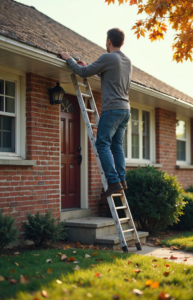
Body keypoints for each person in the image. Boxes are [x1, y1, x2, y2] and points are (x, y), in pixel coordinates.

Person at [59, 28, 132, 199]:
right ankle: (122, 180)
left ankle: (113, 182)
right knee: (117, 146)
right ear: (122, 42)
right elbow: (110, 75)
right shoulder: (127, 61)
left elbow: (83, 73)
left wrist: (68, 59)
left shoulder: (108, 57)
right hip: (125, 109)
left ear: (108, 41)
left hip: (112, 109)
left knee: (102, 144)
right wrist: (93, 68)